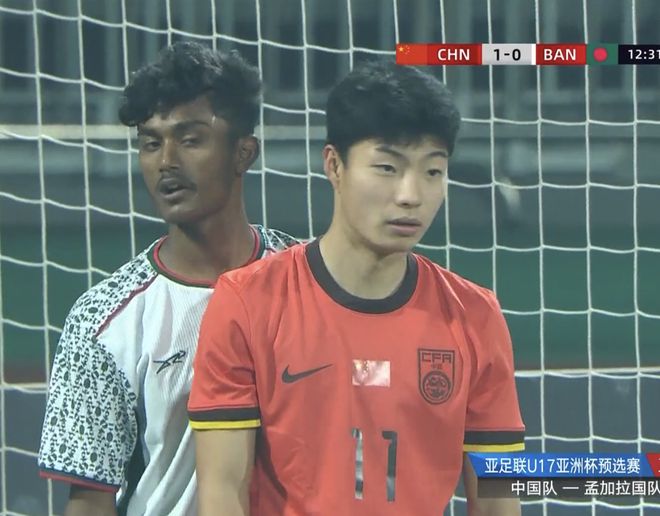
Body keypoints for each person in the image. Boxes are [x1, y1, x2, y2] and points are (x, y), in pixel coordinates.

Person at [188, 61, 525, 515]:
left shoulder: (474, 315)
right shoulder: (248, 303)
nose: (410, 195)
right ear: (334, 165)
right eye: (387, 167)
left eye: (432, 171)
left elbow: (497, 499)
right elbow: (223, 493)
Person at [38, 41, 298, 516]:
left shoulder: (307, 283)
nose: (166, 161)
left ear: (244, 153)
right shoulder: (102, 319)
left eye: (190, 139)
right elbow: (89, 501)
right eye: (151, 143)